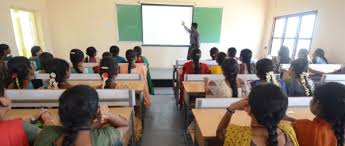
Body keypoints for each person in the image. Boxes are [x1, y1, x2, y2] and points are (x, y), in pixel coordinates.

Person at [34, 85, 129, 146]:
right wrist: (109, 115)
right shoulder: (105, 137)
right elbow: (126, 125)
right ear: (95, 113)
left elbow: (76, 132)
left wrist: (91, 125)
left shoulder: (46, 133)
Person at [217, 84, 299, 146]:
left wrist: (231, 108)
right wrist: (277, 112)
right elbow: (295, 122)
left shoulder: (238, 135)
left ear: (249, 109)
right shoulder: (289, 130)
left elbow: (220, 133)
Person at [0, 80, 55, 146]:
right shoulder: (22, 128)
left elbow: (7, 120)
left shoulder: (4, 121)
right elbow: (52, 138)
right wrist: (47, 120)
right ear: (3, 101)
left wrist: (33, 118)